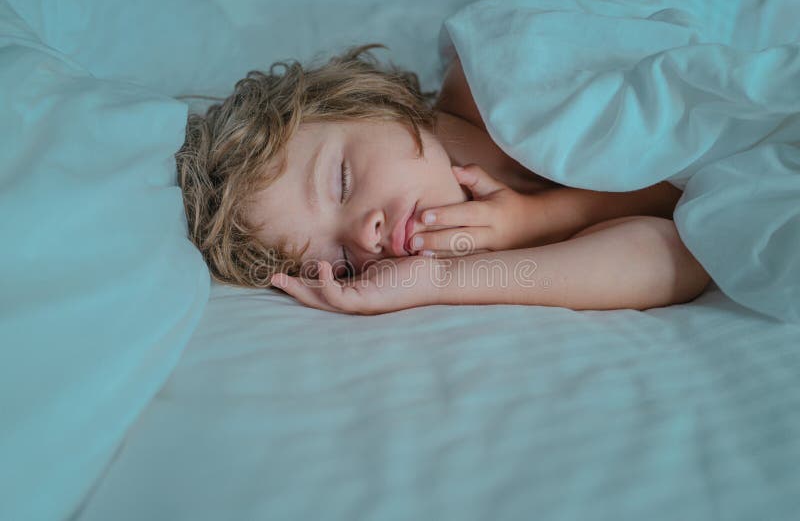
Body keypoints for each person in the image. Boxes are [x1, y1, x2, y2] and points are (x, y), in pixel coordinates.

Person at [176, 44, 710, 315]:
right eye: (339, 263)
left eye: (341, 181)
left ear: (366, 102)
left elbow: (685, 150)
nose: (367, 239)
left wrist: (542, 217)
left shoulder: (502, 84)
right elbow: (680, 255)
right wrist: (442, 282)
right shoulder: (472, 251)